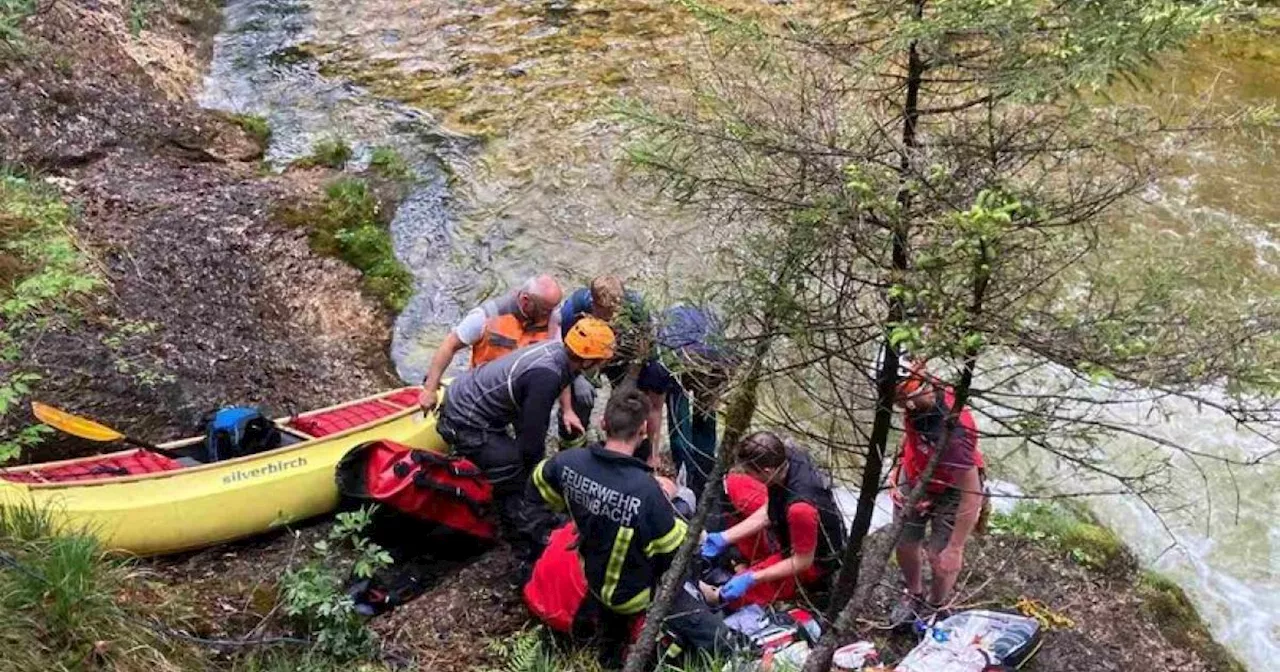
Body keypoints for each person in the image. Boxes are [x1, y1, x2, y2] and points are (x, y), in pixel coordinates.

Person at [523, 387, 732, 664]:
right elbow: (671, 554)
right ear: (643, 429)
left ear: (603, 423)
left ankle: (610, 659)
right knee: (716, 636)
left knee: (611, 639)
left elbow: (537, 489)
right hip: (634, 594)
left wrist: (571, 521)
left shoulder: (567, 463)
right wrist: (694, 536)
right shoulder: (645, 492)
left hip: (593, 576)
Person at [434, 317, 615, 542]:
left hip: (470, 401)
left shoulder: (556, 352)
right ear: (588, 360)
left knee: (524, 458)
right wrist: (539, 479)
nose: (601, 366)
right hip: (463, 420)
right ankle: (522, 526)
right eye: (600, 361)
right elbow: (532, 440)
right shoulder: (546, 377)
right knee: (515, 465)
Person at [699, 431, 846, 609]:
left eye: (750, 472)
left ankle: (715, 597)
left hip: (813, 560)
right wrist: (725, 537)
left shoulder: (801, 508)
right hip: (792, 533)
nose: (747, 476)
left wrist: (753, 577)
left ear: (767, 472)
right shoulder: (787, 458)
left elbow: (802, 561)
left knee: (735, 595)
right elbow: (770, 510)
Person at [887, 369, 986, 625]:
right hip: (916, 471)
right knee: (905, 541)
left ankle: (936, 604)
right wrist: (901, 463)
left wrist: (955, 547)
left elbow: (971, 494)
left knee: (939, 558)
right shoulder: (917, 395)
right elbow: (912, 434)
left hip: (953, 486)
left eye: (904, 402)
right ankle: (914, 593)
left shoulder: (956, 430)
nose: (903, 408)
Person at [419, 275, 563, 413]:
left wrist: (567, 409)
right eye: (545, 310)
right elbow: (449, 345)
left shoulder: (553, 321)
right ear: (526, 301)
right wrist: (430, 389)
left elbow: (558, 363)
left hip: (520, 395)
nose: (551, 315)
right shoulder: (486, 317)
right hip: (482, 392)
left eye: (554, 309)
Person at [635, 305, 735, 494]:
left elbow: (713, 396)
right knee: (679, 416)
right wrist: (653, 454)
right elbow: (655, 409)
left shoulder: (721, 359)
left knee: (705, 414)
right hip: (680, 359)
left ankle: (703, 471)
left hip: (713, 359)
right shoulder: (663, 364)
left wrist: (710, 396)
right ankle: (686, 470)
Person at [550, 275, 652, 447]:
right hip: (585, 356)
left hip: (620, 356)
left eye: (616, 312)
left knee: (625, 403)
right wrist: (577, 379)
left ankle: (614, 443)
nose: (611, 317)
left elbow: (644, 346)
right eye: (606, 313)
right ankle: (571, 443)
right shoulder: (573, 310)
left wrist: (631, 379)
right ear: (594, 304)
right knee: (581, 399)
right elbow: (563, 358)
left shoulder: (636, 308)